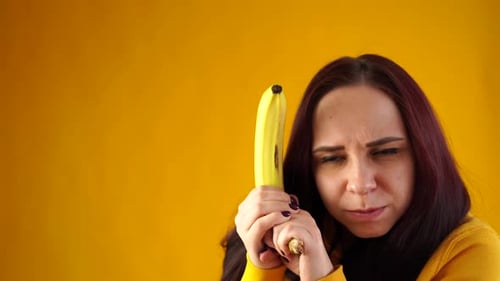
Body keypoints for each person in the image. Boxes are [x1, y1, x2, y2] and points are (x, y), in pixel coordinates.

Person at [220, 54, 500, 281]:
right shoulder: (294, 238)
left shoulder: (471, 251)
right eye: (332, 158)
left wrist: (321, 275)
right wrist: (264, 266)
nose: (361, 183)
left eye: (387, 152)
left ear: (424, 155)